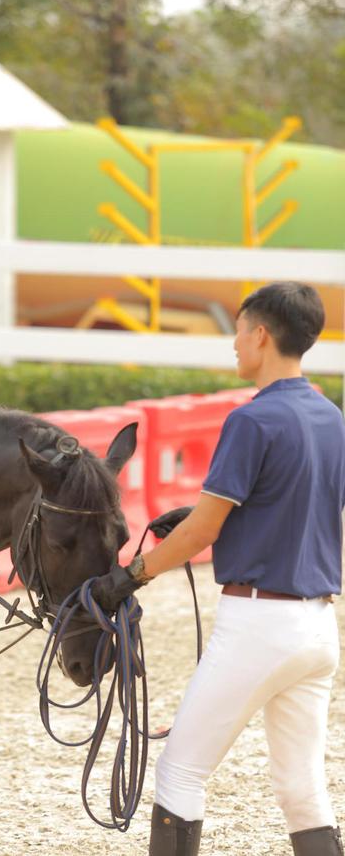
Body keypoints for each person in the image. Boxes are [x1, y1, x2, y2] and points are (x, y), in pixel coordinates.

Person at [92, 282, 345, 856]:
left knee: (180, 774)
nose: (233, 345)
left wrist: (130, 578)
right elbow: (301, 504)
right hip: (316, 630)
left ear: (259, 334)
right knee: (303, 792)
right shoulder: (332, 418)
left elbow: (202, 532)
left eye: (238, 331)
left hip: (258, 626)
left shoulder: (250, 421)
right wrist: (227, 515)